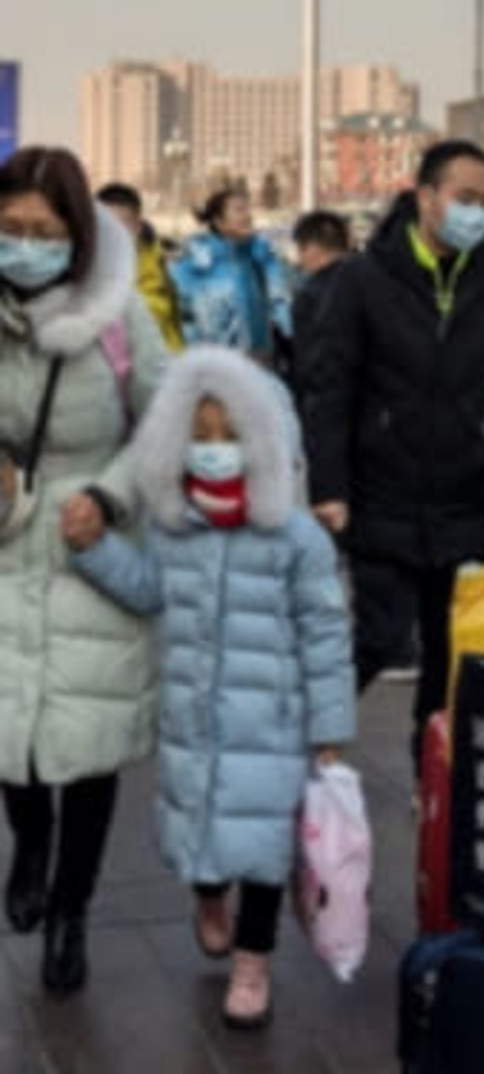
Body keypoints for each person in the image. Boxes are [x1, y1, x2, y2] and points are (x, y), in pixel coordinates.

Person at [64, 345, 353, 1031]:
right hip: (193, 717)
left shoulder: (296, 537)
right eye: (200, 436)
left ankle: (253, 963)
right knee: (197, 830)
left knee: (263, 849)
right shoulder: (173, 529)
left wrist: (331, 726)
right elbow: (145, 591)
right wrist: (94, 552)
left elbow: (325, 630)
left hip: (273, 723)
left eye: (231, 436)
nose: (215, 450)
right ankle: (206, 895)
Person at [297, 139, 484, 772]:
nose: (476, 213)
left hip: (461, 491)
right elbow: (329, 388)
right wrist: (328, 486)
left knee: (447, 650)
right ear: (425, 197)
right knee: (379, 634)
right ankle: (309, 741)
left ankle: (433, 775)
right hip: (381, 489)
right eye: (464, 198)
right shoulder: (364, 280)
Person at [0, 147, 171, 995]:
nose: (26, 246)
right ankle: (29, 838)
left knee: (93, 745)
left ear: (76, 238)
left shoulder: (118, 314)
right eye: (12, 230)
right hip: (4, 541)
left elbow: (165, 424)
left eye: (44, 232)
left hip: (89, 550)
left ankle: (72, 910)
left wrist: (108, 498)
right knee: (9, 733)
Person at [169, 188, 292, 362]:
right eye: (239, 210)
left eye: (248, 209)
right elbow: (180, 316)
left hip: (259, 362)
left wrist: (289, 340)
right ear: (219, 221)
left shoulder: (263, 256)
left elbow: (281, 304)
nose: (248, 216)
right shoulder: (194, 264)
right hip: (212, 366)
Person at [96, 183, 184, 352]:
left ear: (137, 227)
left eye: (122, 225)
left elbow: (158, 312)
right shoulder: (84, 267)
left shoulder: (153, 263)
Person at [279, 210, 352, 393]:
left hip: (331, 403)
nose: (300, 259)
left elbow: (309, 365)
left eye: (300, 250)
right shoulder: (374, 279)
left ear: (313, 248)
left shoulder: (310, 296)